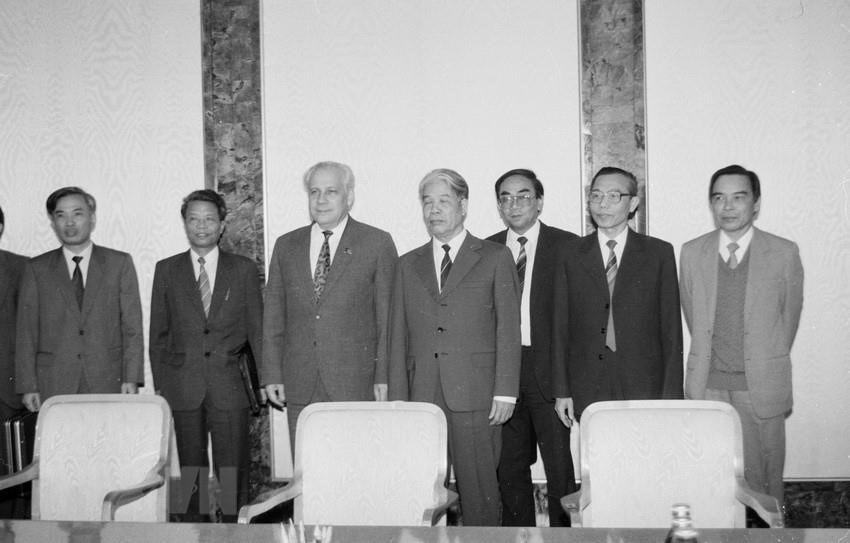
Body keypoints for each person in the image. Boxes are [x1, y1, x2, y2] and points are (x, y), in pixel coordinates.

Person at [388, 168, 521, 526]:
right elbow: (397, 335)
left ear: (463, 206)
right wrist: (399, 401)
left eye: (443, 201)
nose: (434, 210)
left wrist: (506, 392)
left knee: (480, 493)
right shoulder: (406, 264)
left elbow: (509, 328)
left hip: (477, 396)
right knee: (423, 492)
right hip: (422, 395)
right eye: (427, 202)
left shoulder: (494, 257)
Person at [680, 164, 803, 506]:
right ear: (711, 204)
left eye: (739, 197)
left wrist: (761, 359)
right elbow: (694, 316)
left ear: (756, 203)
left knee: (764, 480)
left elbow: (787, 321)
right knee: (712, 478)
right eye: (719, 198)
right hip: (709, 385)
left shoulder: (783, 252)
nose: (728, 207)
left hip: (759, 385)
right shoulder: (692, 252)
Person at [263, 161, 398, 448]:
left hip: (355, 383)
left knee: (352, 469)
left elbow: (387, 320)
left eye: (331, 191)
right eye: (314, 192)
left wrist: (383, 376)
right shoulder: (286, 245)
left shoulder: (376, 243)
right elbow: (274, 316)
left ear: (349, 196)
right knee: (307, 472)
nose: (321, 200)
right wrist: (272, 373)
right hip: (300, 381)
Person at [149, 189, 263, 522]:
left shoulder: (242, 269)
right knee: (192, 470)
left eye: (210, 219)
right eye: (194, 219)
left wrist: (265, 380)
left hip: (229, 386)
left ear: (223, 224)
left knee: (231, 471)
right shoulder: (167, 270)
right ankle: (195, 531)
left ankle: (231, 530)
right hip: (183, 388)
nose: (202, 226)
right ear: (185, 223)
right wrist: (164, 387)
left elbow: (256, 330)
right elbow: (158, 335)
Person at [551, 167, 682, 425]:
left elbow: (671, 330)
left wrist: (671, 396)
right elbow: (560, 327)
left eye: (614, 196)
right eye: (596, 196)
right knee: (596, 459)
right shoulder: (570, 253)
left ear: (633, 203)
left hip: (644, 381)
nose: (603, 204)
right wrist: (561, 390)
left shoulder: (658, 253)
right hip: (587, 381)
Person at [486, 169, 577, 527]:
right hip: (504, 374)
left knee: (559, 468)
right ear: (498, 205)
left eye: (523, 196)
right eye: (505, 198)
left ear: (539, 202)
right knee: (509, 467)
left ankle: (563, 536)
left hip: (550, 371)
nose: (514, 204)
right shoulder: (488, 249)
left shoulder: (567, 246)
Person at [16, 187, 143, 411]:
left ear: (92, 218)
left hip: (107, 378)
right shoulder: (36, 269)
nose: (70, 223)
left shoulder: (119, 263)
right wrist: (28, 385)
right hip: (54, 381)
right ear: (53, 222)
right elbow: (26, 332)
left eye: (77, 213)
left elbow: (132, 328)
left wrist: (131, 377)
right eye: (61, 215)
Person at [0, 204, 28, 518]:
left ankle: (217, 523)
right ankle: (194, 518)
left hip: (5, 387)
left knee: (9, 472)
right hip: (185, 391)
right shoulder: (169, 270)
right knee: (191, 460)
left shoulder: (22, 268)